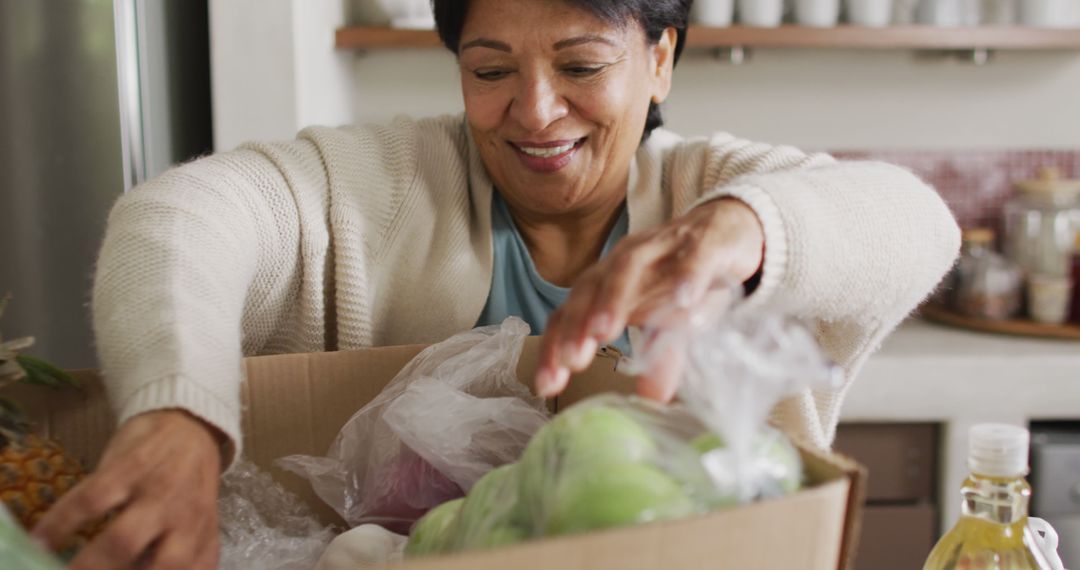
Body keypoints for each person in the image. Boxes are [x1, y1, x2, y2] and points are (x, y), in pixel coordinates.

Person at [32, 0, 960, 567]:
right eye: (489, 70)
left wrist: (744, 229)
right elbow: (177, 220)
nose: (535, 111)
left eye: (582, 65)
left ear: (662, 57)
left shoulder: (709, 190)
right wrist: (177, 419)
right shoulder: (383, 187)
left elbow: (919, 221)